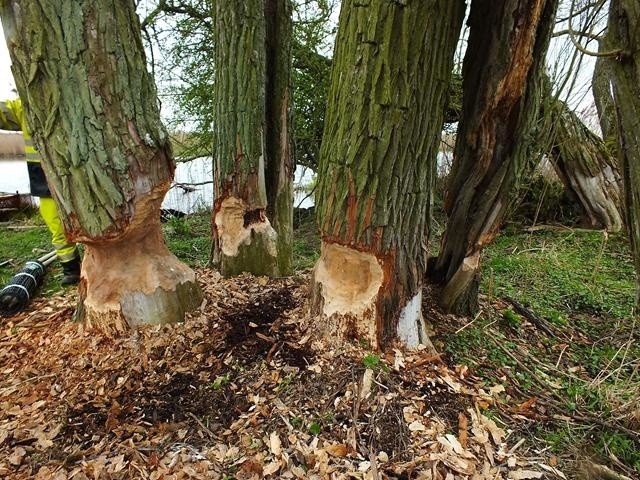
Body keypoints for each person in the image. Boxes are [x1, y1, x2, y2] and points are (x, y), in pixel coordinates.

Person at [0, 98, 81, 285]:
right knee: (56, 223)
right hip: (43, 174)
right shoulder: (24, 104)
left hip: (75, 170)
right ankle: (71, 268)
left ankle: (103, 260)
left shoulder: (73, 94)